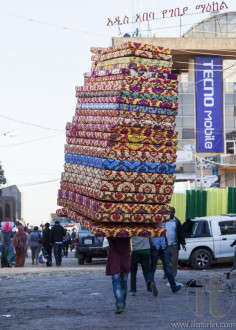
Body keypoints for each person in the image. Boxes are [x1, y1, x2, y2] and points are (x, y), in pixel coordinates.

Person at [106, 237, 130, 314]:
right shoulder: (128, 230)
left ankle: (120, 304)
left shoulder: (110, 231)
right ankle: (122, 302)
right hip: (125, 258)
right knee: (124, 282)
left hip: (114, 259)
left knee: (116, 283)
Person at [163, 207, 186, 280]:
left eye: (171, 212)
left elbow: (181, 233)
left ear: (174, 213)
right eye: (169, 212)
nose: (170, 214)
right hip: (165, 245)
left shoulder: (177, 222)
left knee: (174, 262)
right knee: (165, 262)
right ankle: (166, 272)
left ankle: (172, 277)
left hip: (174, 245)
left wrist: (183, 243)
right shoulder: (164, 221)